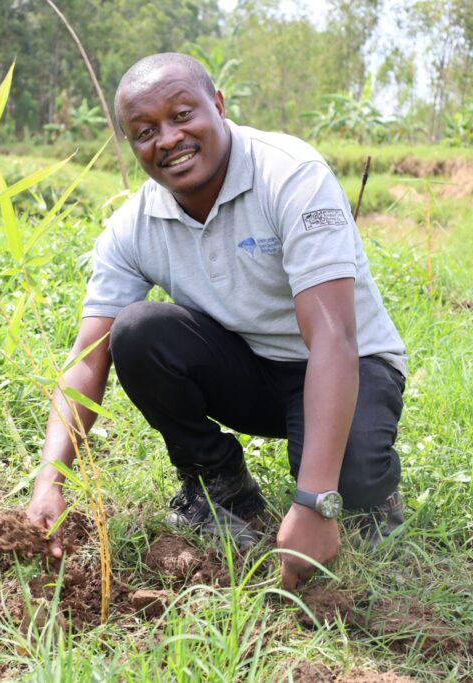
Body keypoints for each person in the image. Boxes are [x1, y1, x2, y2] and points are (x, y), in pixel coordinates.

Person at [25, 53, 407, 589]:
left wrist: (316, 503)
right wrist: (51, 479)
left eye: (183, 115)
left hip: (349, 364)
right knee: (136, 332)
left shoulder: (291, 175)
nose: (168, 139)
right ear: (131, 146)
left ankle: (375, 489)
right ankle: (218, 484)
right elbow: (88, 358)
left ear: (218, 106)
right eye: (144, 131)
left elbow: (335, 337)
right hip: (249, 369)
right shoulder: (132, 227)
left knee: (349, 486)